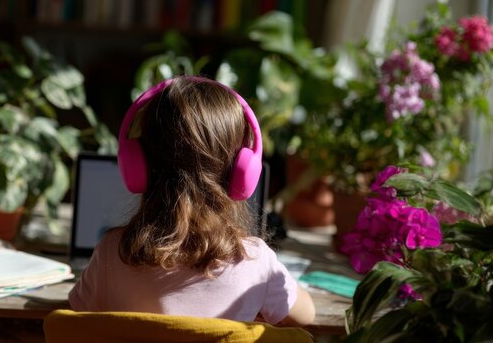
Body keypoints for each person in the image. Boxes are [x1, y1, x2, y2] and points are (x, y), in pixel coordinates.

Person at [69, 76, 315, 327]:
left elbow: (77, 311)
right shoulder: (255, 261)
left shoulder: (112, 252)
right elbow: (306, 315)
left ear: (137, 165)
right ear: (241, 173)